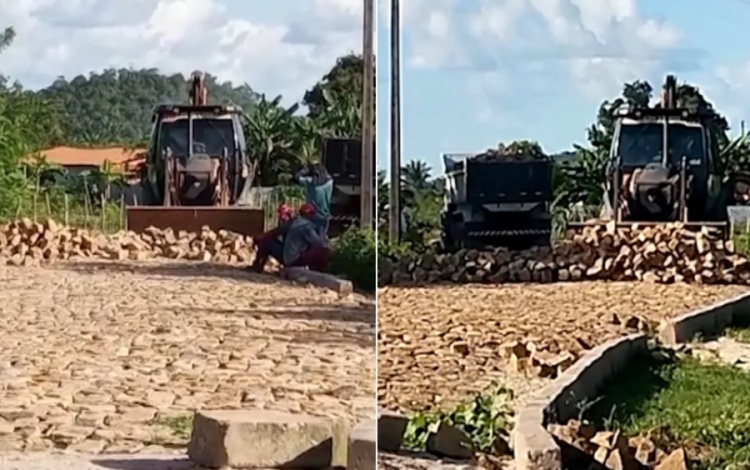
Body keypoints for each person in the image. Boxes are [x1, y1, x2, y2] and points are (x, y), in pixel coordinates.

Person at [251, 203, 331, 272]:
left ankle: (257, 266)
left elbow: (276, 231)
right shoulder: (305, 226)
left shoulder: (296, 222)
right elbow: (319, 243)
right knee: (323, 251)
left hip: (288, 256)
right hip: (294, 259)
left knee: (267, 241)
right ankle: (321, 270)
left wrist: (262, 236)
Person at [295, 163, 333, 237]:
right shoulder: (330, 182)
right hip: (325, 215)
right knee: (322, 236)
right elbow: (327, 176)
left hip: (311, 214)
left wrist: (305, 170)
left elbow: (297, 177)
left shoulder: (310, 182)